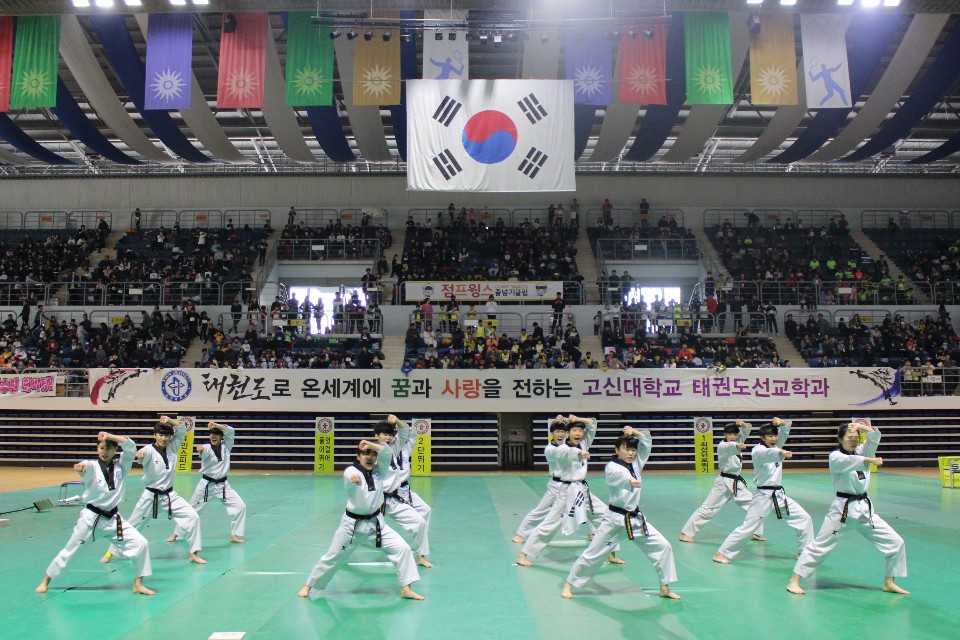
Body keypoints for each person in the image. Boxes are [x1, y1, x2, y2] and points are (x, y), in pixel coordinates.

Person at [787, 422, 908, 595]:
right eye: (849, 438)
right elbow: (851, 461)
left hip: (865, 511)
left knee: (896, 542)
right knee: (820, 546)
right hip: (842, 512)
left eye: (856, 438)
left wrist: (859, 426)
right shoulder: (835, 456)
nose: (853, 441)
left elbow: (875, 437)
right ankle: (794, 581)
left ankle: (889, 582)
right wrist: (869, 460)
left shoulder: (861, 451)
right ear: (840, 439)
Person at [562, 428, 680, 600]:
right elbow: (617, 477)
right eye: (626, 449)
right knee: (594, 553)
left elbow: (647, 442)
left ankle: (664, 586)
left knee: (663, 546)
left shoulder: (636, 464)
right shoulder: (612, 467)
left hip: (636, 520)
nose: (630, 453)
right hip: (614, 521)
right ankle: (569, 584)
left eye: (633, 450)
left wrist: (636, 432)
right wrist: (630, 480)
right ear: (617, 450)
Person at [298, 439, 424, 600]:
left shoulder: (380, 471)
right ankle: (308, 585)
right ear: (358, 457)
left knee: (403, 548)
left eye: (372, 455)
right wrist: (354, 478)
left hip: (377, 525)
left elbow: (386, 453)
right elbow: (350, 475)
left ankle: (406, 588)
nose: (369, 457)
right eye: (365, 454)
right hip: (352, 528)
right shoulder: (351, 471)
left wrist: (369, 445)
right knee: (333, 557)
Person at [37, 431, 155, 596]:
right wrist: (80, 468)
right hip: (90, 520)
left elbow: (131, 446)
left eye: (108, 449)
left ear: (115, 449)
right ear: (97, 448)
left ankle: (138, 584)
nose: (104, 452)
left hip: (113, 519)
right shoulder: (91, 466)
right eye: (101, 448)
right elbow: (81, 466)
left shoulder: (122, 466)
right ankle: (46, 581)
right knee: (70, 552)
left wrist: (109, 436)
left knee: (141, 543)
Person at [517, 415, 621, 567]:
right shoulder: (561, 448)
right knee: (550, 524)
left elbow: (592, 424)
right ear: (568, 433)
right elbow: (569, 453)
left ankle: (610, 553)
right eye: (574, 430)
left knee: (607, 516)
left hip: (582, 490)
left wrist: (574, 419)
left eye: (580, 430)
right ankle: (523, 555)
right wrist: (580, 453)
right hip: (567, 492)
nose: (577, 433)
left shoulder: (584, 443)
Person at [103, 416, 205, 565]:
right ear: (155, 435)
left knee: (193, 517)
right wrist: (139, 455)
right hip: (150, 497)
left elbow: (182, 429)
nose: (164, 438)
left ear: (171, 437)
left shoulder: (173, 446)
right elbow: (140, 455)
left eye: (167, 435)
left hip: (170, 495)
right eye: (161, 435)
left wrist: (169, 420)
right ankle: (110, 553)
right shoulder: (148, 450)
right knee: (132, 526)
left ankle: (194, 553)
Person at [713, 417, 813, 565]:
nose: (774, 439)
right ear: (762, 437)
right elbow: (768, 455)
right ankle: (722, 553)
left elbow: (785, 430)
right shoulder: (758, 450)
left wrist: (782, 423)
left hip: (779, 495)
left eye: (775, 435)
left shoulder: (776, 446)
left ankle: (804, 551)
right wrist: (781, 453)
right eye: (770, 436)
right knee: (748, 527)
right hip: (763, 497)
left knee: (804, 518)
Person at [679, 420, 766, 543]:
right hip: (724, 483)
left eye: (735, 434)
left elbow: (747, 429)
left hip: (736, 483)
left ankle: (756, 532)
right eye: (729, 434)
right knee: (708, 508)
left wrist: (742, 424)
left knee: (754, 504)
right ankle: (686, 534)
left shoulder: (737, 440)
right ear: (725, 434)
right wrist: (738, 446)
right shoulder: (723, 446)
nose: (732, 437)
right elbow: (731, 447)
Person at [172, 422, 246, 545]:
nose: (214, 436)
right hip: (206, 485)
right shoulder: (206, 447)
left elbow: (231, 431)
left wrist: (216, 425)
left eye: (217, 434)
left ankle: (235, 534)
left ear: (222, 437)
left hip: (223, 485)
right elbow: (203, 450)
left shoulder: (226, 446)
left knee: (240, 506)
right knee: (192, 510)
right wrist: (200, 449)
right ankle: (176, 534)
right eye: (212, 434)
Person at [375, 415, 433, 568]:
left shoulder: (401, 447)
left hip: (402, 491)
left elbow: (407, 432)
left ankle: (421, 551)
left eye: (390, 434)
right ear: (377, 436)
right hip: (384, 496)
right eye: (385, 434)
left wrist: (397, 421)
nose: (388, 437)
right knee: (366, 527)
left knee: (423, 515)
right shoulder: (379, 451)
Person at [513, 418, 569, 543]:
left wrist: (565, 420)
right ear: (552, 434)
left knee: (586, 507)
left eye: (562, 432)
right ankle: (520, 534)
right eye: (557, 432)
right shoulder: (550, 449)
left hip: (573, 484)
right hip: (557, 485)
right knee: (541, 511)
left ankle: (593, 532)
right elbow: (565, 452)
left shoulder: (566, 444)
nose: (560, 435)